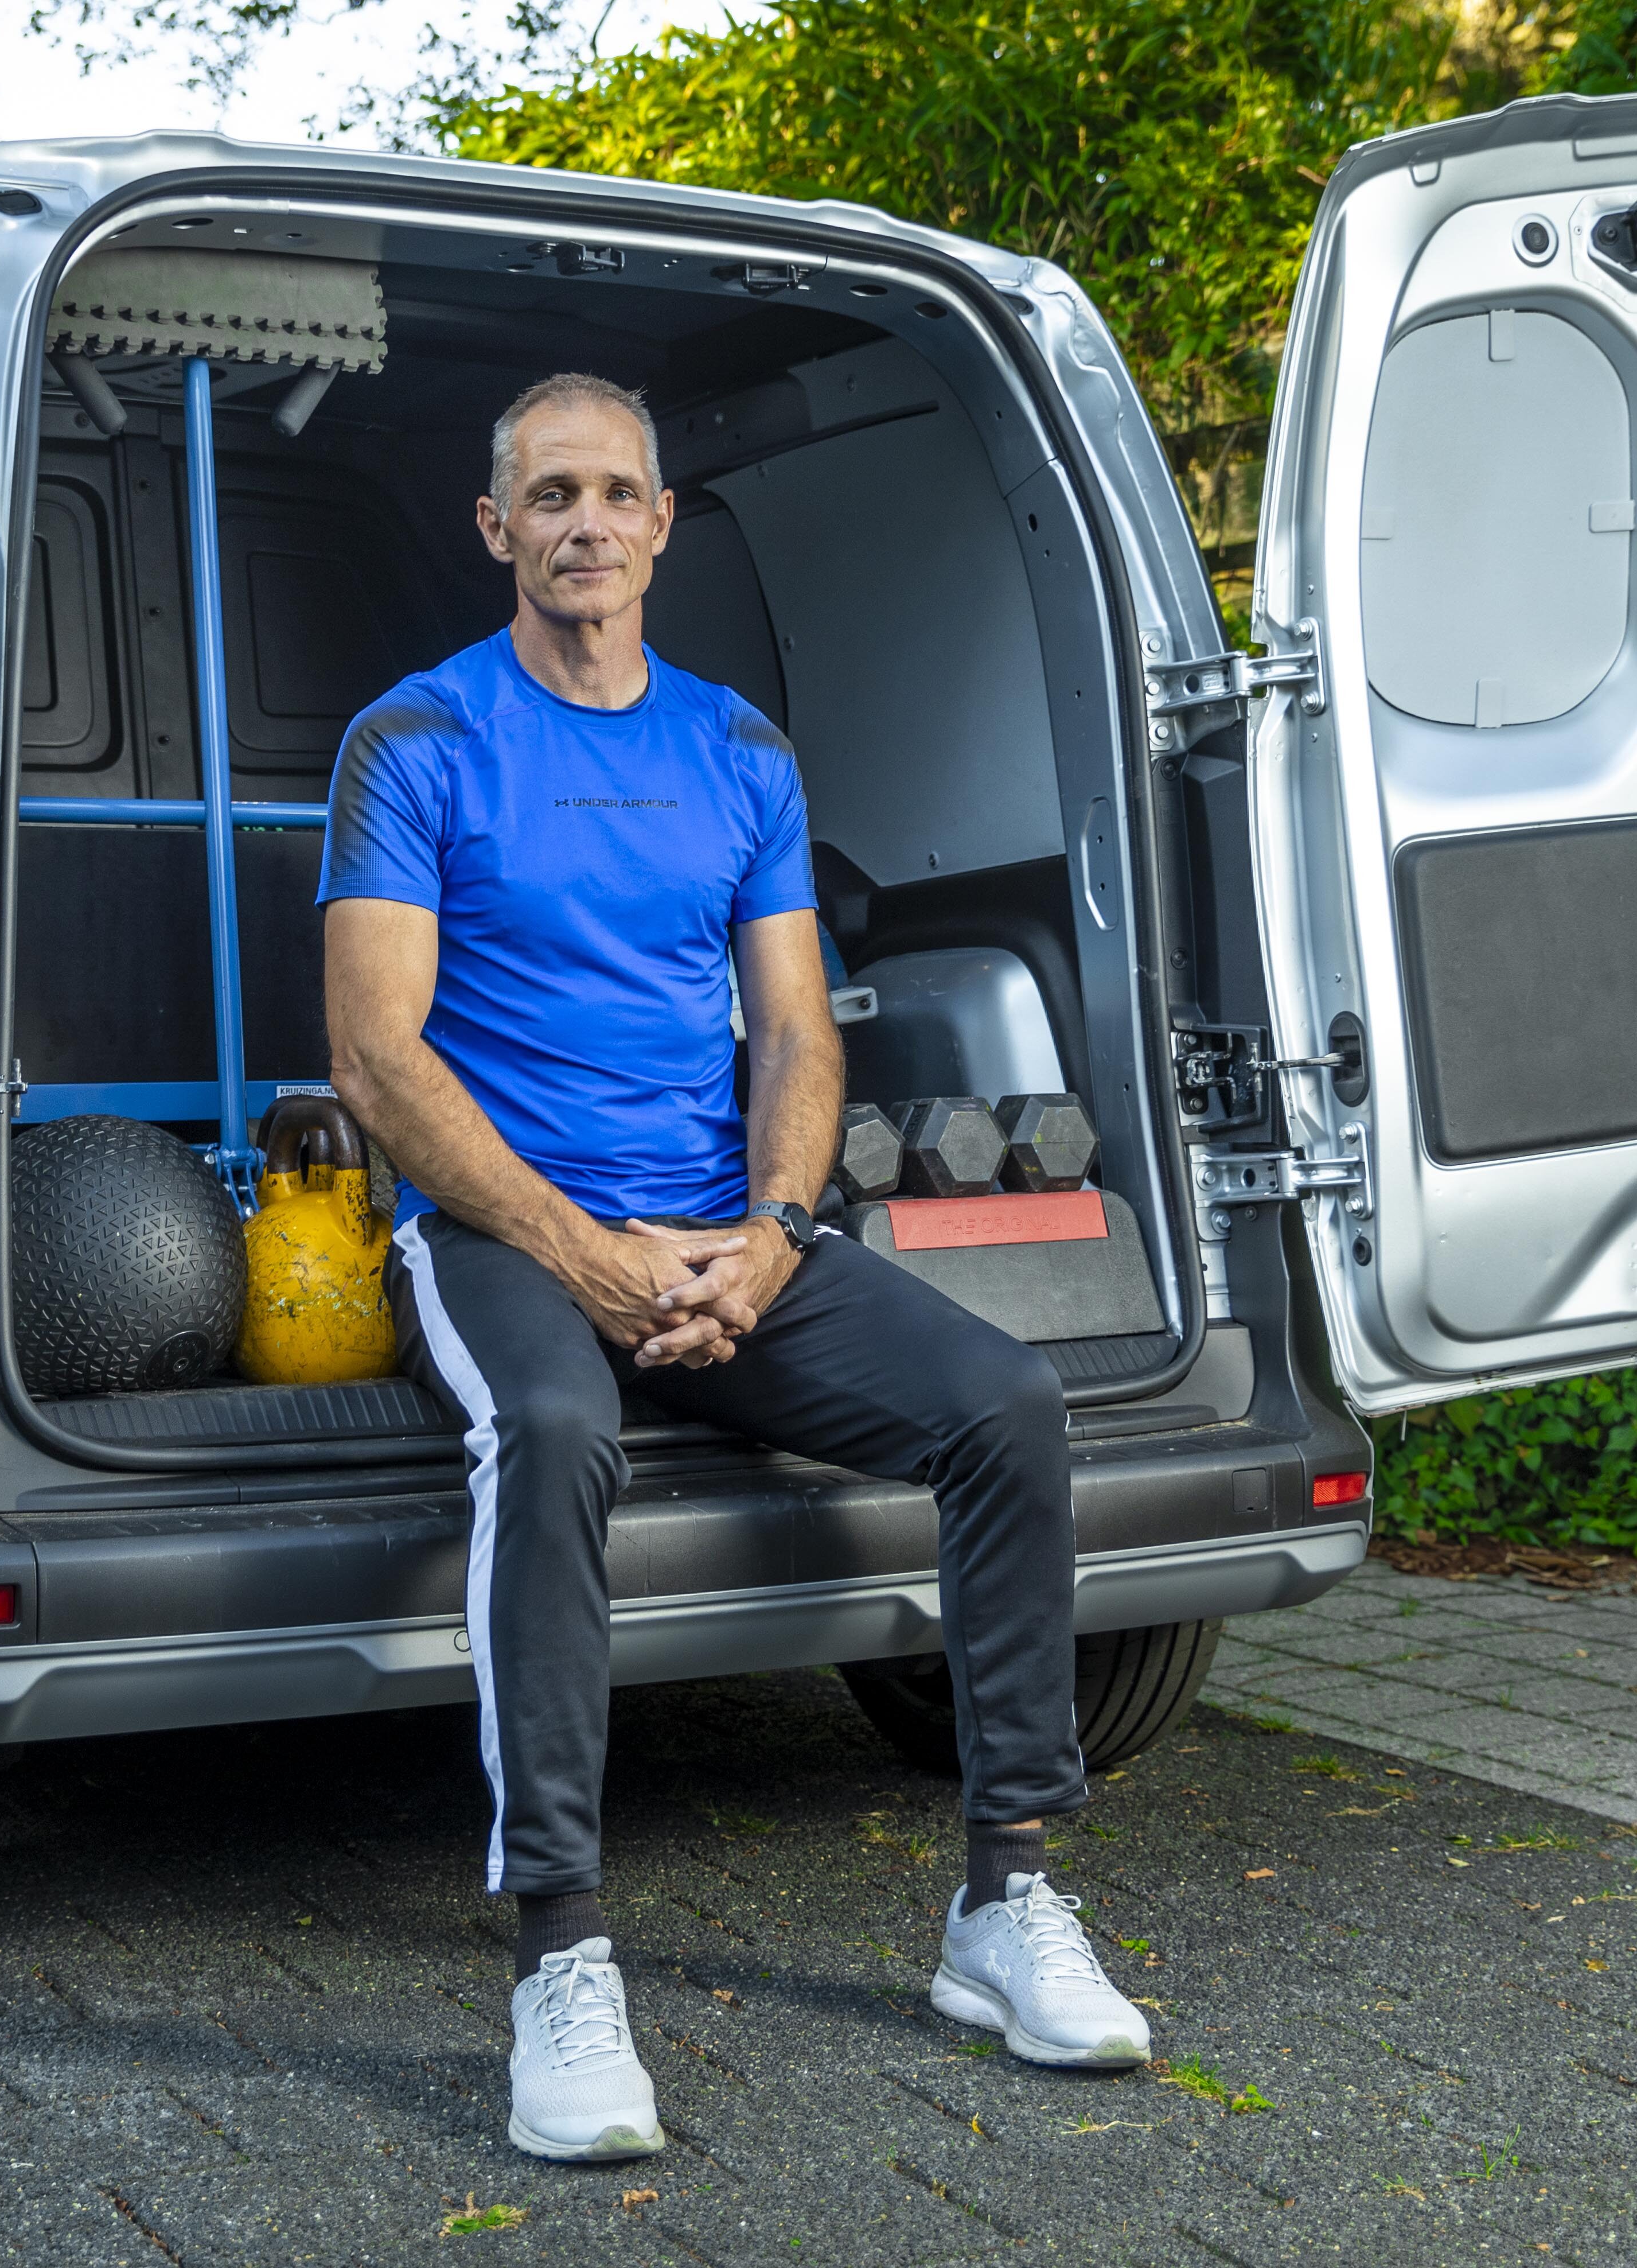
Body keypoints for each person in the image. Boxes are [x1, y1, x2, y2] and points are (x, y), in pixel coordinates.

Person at [320, 372, 1150, 2163]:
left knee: (1004, 1404)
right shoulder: (415, 743)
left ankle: (1004, 1900)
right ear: (498, 530)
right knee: (550, 1437)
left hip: (721, 1229)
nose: (587, 524)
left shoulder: (737, 751)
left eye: (617, 492)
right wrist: (585, 1256)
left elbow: (793, 1027)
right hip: (501, 1237)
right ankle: (559, 1952)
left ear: (662, 524)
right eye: (550, 495)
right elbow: (377, 1058)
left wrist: (772, 1237)